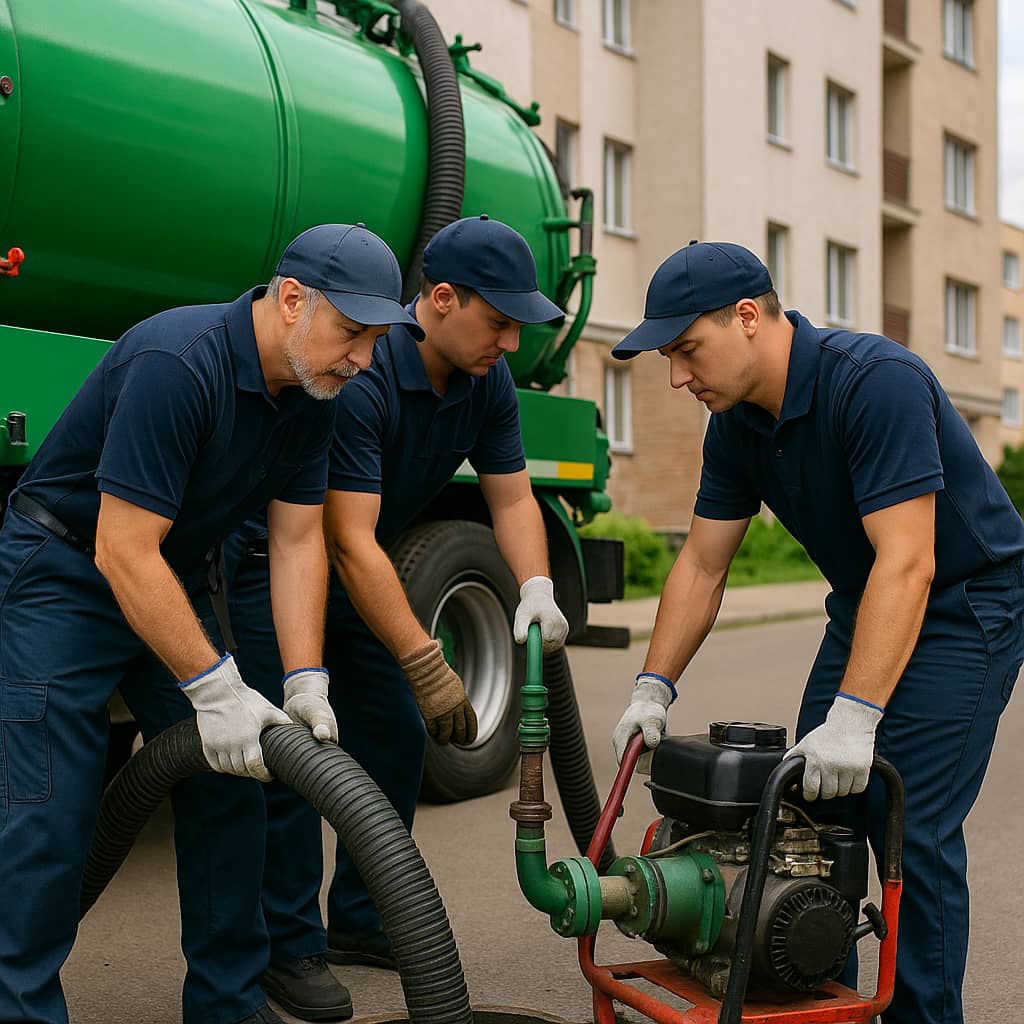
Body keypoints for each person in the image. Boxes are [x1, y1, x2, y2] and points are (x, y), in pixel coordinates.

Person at [0, 223, 421, 1024]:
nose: (364, 359)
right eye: (353, 334)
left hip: (167, 573)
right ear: (291, 300)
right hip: (64, 574)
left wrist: (304, 677)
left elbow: (298, 540)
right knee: (47, 809)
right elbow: (120, 551)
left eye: (375, 340)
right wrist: (213, 686)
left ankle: (227, 1005)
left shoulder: (312, 391)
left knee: (235, 782)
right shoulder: (177, 362)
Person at [609, 240, 1024, 1024]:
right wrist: (652, 686)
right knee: (805, 815)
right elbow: (702, 565)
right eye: (668, 357)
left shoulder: (875, 384)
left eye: (687, 350)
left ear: (747, 317)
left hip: (967, 606)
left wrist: (857, 717)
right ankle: (826, 1001)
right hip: (868, 599)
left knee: (907, 823)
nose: (676, 376)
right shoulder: (735, 424)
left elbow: (910, 563)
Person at [222, 215, 570, 1020]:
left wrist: (537, 586)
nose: (511, 342)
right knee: (289, 749)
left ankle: (363, 918)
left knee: (394, 733)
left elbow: (511, 495)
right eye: (500, 321)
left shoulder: (486, 382)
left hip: (360, 567)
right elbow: (342, 540)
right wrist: (426, 660)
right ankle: (286, 946)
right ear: (441, 300)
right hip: (270, 567)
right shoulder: (364, 379)